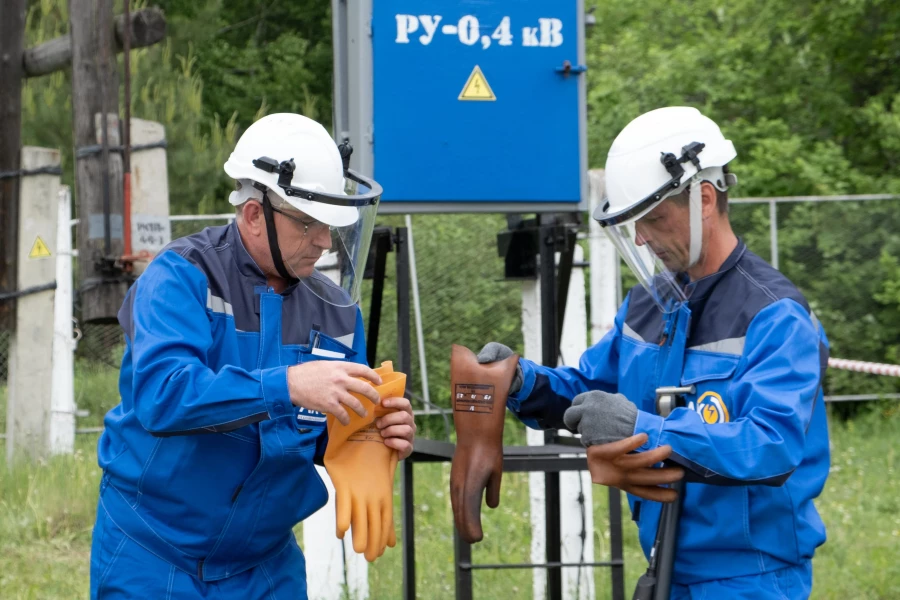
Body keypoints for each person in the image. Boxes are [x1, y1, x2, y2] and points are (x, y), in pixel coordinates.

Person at [478, 106, 829, 599]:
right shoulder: (648, 304)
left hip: (752, 579)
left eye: (654, 219)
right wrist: (523, 382)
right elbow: (590, 391)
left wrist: (643, 429)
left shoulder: (775, 315)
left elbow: (771, 446)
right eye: (632, 225)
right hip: (665, 566)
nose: (641, 238)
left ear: (704, 198)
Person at [90, 113, 416, 599]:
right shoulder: (179, 278)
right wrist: (288, 384)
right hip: (152, 552)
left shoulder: (338, 312)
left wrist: (370, 435)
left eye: (330, 225)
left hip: (264, 564)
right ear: (253, 215)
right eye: (309, 224)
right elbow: (163, 395)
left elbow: (320, 432)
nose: (325, 242)